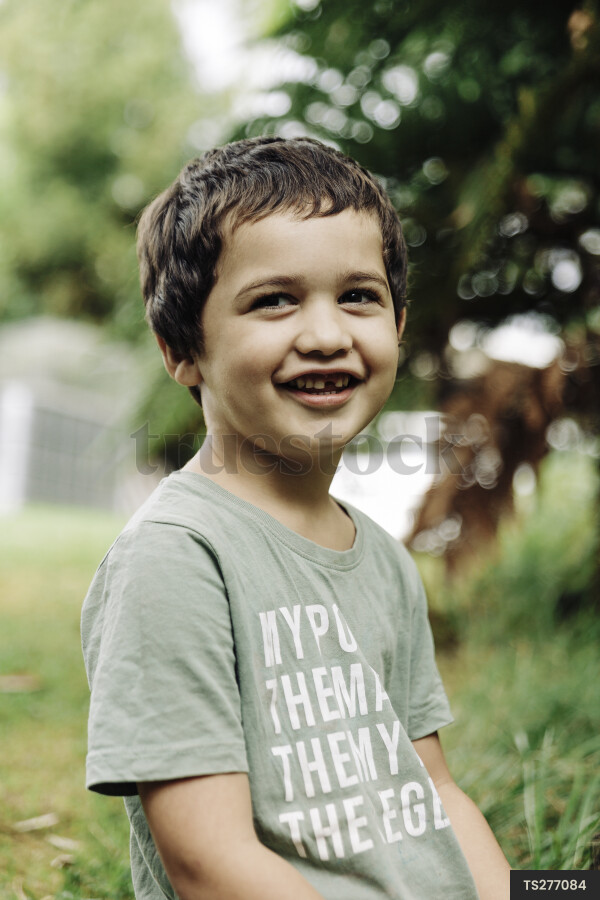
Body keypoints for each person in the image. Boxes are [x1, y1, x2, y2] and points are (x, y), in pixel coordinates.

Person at [82, 136, 511, 900]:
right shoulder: (177, 560)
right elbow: (207, 863)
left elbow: (435, 792)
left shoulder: (379, 559)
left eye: (358, 296)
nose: (325, 334)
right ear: (182, 348)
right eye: (274, 300)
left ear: (398, 324)